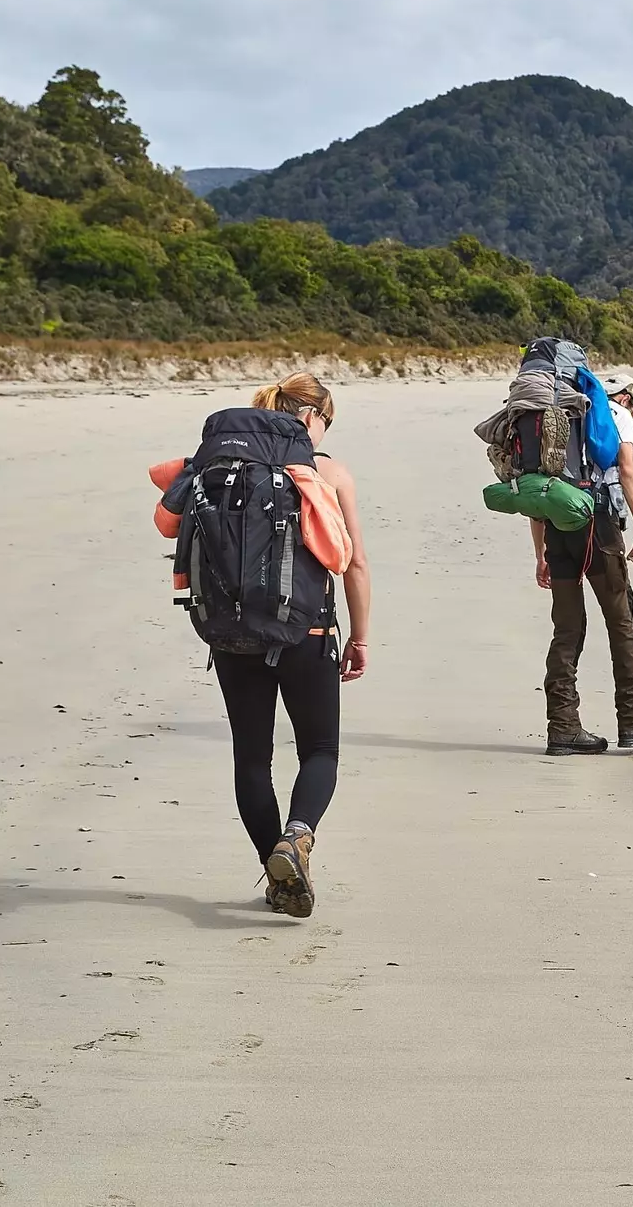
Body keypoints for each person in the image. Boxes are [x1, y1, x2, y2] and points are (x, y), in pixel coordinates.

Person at [215, 373, 371, 916]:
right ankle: (296, 839)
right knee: (320, 750)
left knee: (252, 760)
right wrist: (362, 636)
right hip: (308, 630)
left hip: (231, 632)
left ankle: (278, 873)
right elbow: (353, 562)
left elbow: (169, 522)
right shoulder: (326, 472)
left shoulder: (220, 466)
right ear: (312, 417)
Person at [533, 371, 633, 754]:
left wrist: (540, 551)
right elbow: (627, 470)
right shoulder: (615, 414)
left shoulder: (555, 415)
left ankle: (563, 728)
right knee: (621, 621)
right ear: (627, 398)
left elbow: (540, 488)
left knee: (567, 628)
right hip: (599, 526)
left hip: (558, 526)